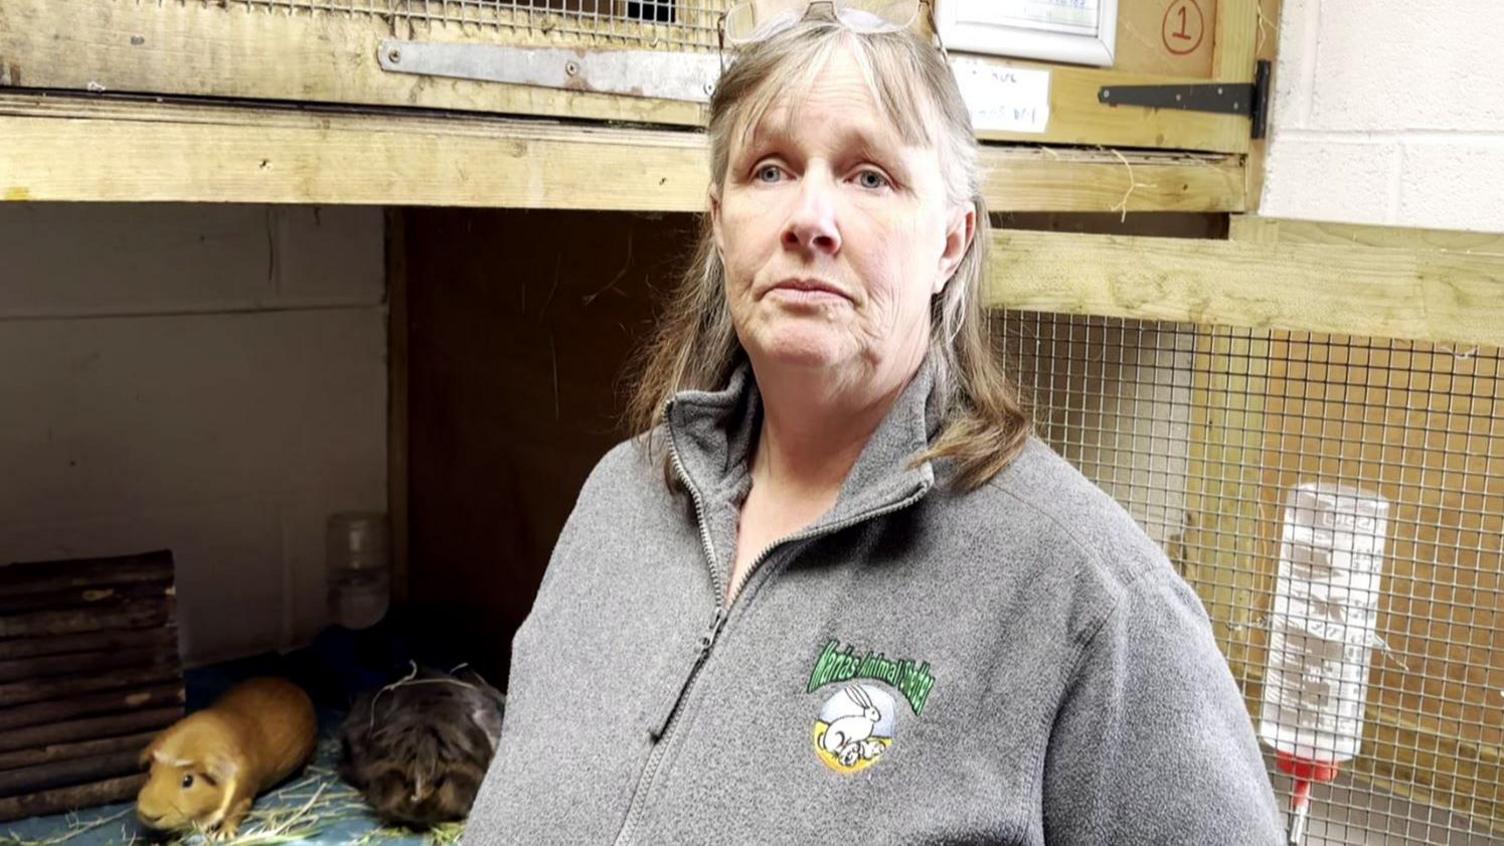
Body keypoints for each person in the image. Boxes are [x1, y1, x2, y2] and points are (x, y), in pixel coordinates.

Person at [463, 2, 1284, 843]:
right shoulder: (620, 501)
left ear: (951, 243)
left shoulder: (1090, 598)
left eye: (870, 177)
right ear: (719, 223)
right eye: (770, 170)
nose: (809, 220)